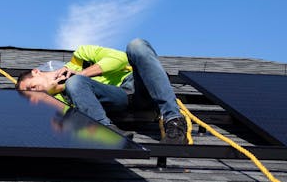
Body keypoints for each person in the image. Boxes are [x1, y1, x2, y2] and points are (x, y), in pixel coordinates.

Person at [15, 38, 189, 144]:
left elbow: (120, 59)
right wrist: (61, 88)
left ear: (36, 71)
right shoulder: (56, 102)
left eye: (30, 87)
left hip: (141, 85)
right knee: (75, 83)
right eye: (29, 94)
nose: (33, 92)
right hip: (119, 99)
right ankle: (107, 131)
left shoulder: (81, 56)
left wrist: (82, 73)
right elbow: (67, 123)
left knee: (137, 45)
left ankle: (174, 121)